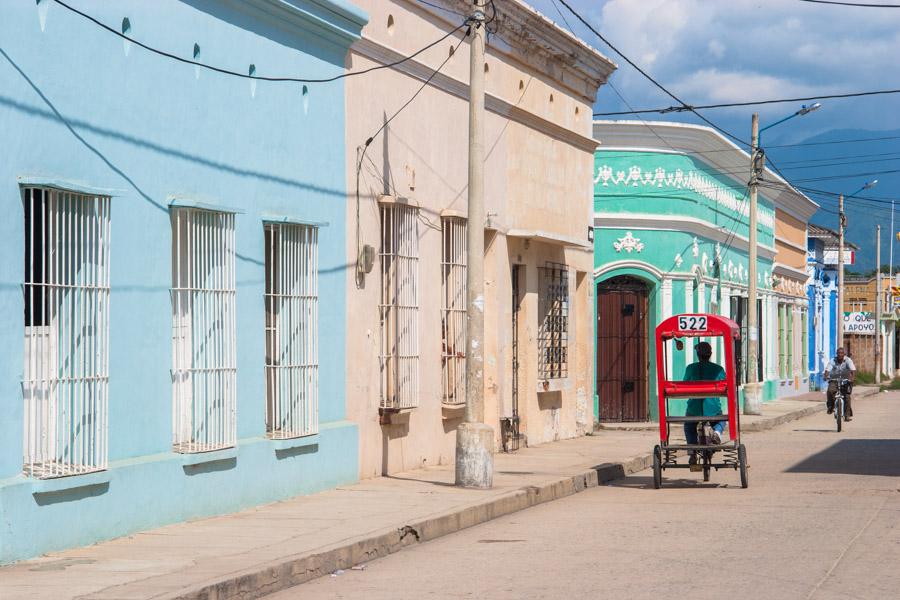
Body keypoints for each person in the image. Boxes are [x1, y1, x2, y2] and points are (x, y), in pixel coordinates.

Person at [682, 341, 727, 451]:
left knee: (689, 427)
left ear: (698, 355)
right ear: (710, 354)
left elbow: (684, 384)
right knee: (721, 420)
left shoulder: (690, 368)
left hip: (694, 409)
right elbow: (726, 385)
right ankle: (717, 432)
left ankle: (692, 452)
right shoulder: (719, 369)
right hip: (713, 408)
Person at [824, 347, 856, 421]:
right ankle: (831, 407)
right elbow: (827, 370)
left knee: (847, 397)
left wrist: (852, 378)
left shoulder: (848, 360)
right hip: (834, 379)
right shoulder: (833, 360)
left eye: (841, 353)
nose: (840, 354)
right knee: (830, 391)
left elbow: (853, 370)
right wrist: (826, 376)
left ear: (844, 354)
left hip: (846, 380)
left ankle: (847, 415)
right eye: (838, 353)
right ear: (836, 354)